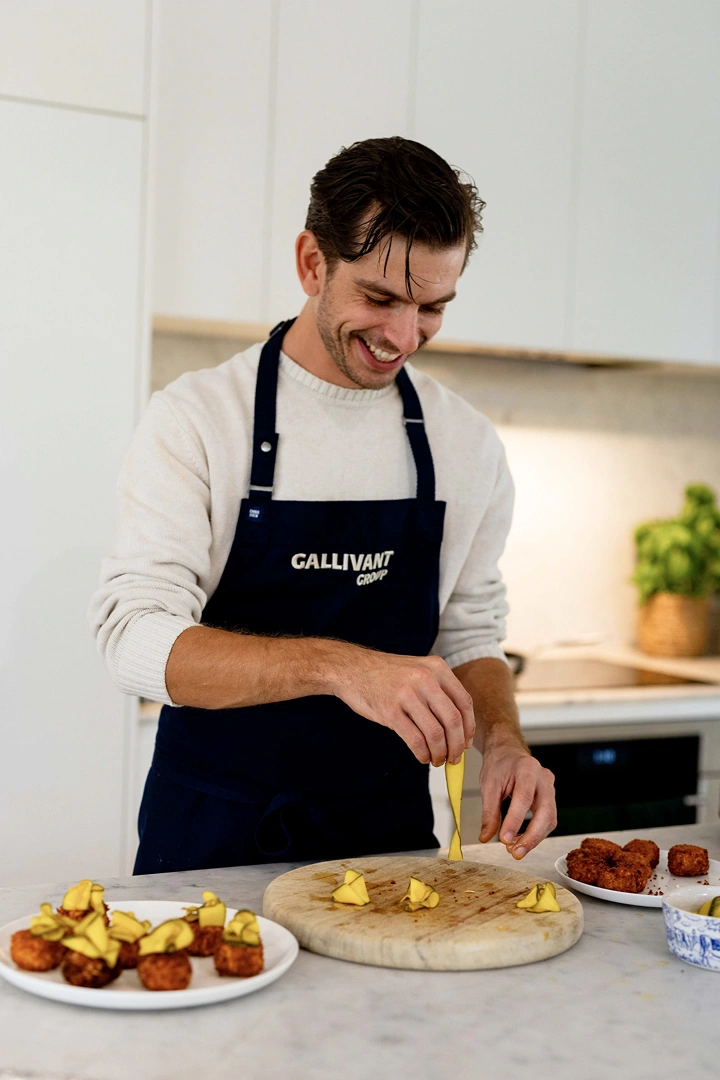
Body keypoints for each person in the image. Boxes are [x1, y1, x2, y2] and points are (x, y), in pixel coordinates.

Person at [90, 136, 557, 874]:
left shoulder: (464, 443)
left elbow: (469, 633)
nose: (403, 337)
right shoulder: (200, 418)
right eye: (380, 298)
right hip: (215, 840)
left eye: (433, 307)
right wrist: (343, 668)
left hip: (390, 844)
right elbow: (134, 639)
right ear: (313, 263)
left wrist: (503, 739)